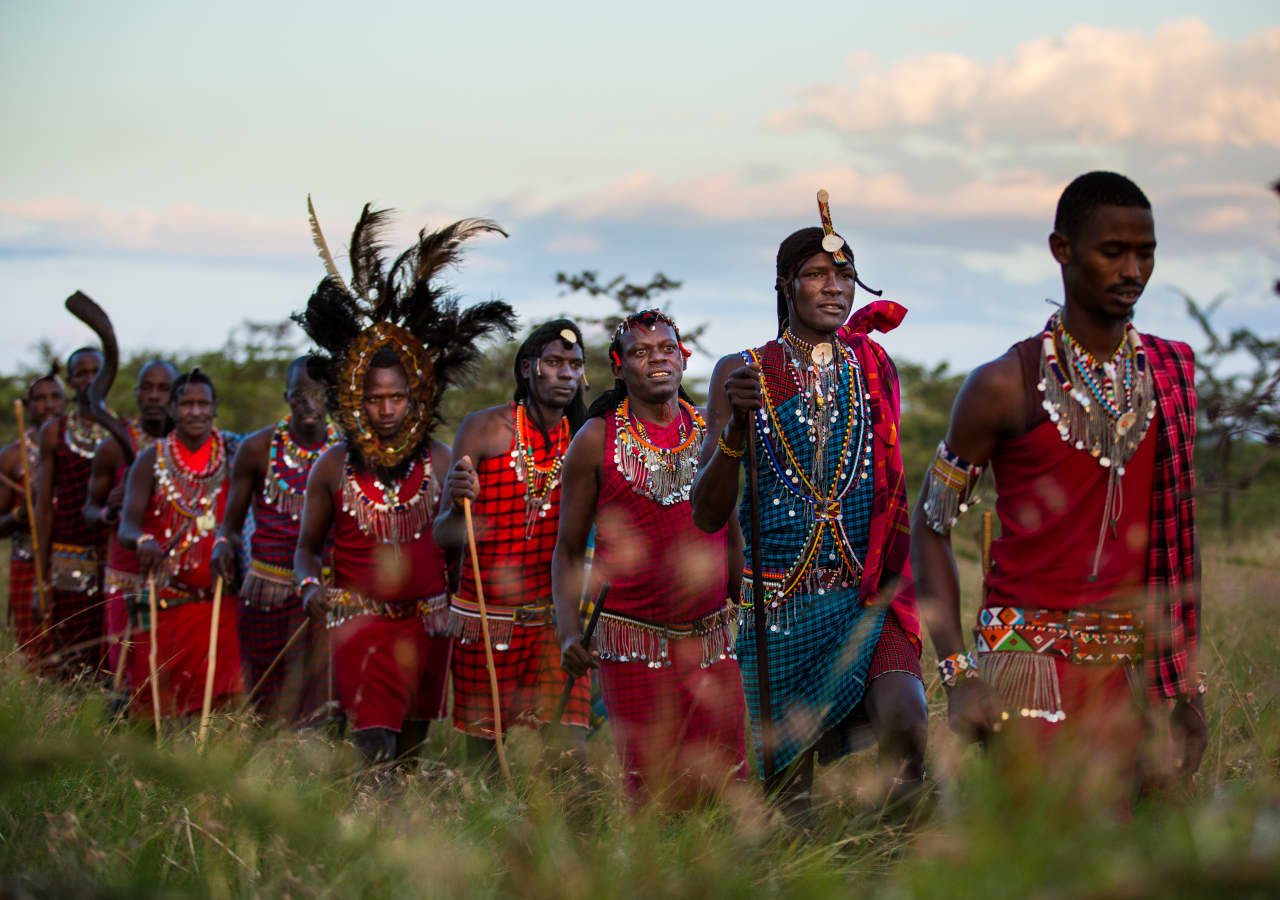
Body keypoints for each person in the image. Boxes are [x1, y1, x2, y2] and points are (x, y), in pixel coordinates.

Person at [910, 171, 1206, 800]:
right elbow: (930, 526)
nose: (1132, 270)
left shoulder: (1171, 373)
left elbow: (1179, 542)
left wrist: (1186, 690)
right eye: (1112, 251)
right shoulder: (1002, 385)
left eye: (1145, 252)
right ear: (1062, 250)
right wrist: (959, 674)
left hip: (1133, 673)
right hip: (1026, 671)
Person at [691, 192, 927, 818]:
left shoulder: (873, 366)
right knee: (791, 802)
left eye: (844, 274)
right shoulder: (741, 372)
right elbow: (707, 513)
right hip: (778, 610)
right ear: (785, 284)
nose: (834, 287)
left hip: (863, 597)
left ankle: (897, 865)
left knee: (908, 724)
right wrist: (737, 431)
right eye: (817, 275)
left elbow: (888, 487)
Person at [293, 206, 516, 767]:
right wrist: (306, 587)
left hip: (428, 627)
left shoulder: (443, 461)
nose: (387, 409)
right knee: (374, 749)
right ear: (355, 399)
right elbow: (305, 550)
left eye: (398, 398)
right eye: (375, 398)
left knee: (408, 761)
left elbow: (464, 544)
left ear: (417, 398)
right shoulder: (330, 468)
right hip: (358, 624)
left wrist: (467, 504)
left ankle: (385, 846)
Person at [554, 309, 748, 805]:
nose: (656, 359)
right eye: (641, 352)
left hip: (713, 642)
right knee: (654, 796)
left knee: (728, 785)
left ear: (683, 359)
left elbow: (730, 531)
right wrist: (570, 633)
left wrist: (741, 606)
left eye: (666, 349)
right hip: (634, 646)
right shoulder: (595, 440)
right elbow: (570, 549)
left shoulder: (712, 431)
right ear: (620, 367)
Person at [435, 320, 591, 763]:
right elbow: (443, 535)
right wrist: (459, 504)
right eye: (555, 362)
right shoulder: (485, 429)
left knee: (569, 757)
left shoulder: (585, 438)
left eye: (575, 365)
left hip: (554, 627)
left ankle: (568, 834)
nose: (566, 374)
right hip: (487, 621)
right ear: (528, 368)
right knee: (485, 763)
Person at [212, 356, 337, 722]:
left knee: (322, 708)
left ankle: (317, 776)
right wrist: (222, 545)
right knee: (267, 705)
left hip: (324, 596)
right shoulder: (257, 449)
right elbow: (231, 525)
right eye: (300, 396)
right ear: (286, 396)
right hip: (267, 593)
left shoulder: (346, 453)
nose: (310, 405)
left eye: (319, 394)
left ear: (333, 396)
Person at [117, 369, 243, 718]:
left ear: (215, 408)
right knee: (155, 708)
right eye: (187, 404)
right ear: (172, 409)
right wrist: (143, 540)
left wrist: (228, 543)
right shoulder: (151, 459)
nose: (196, 412)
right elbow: (126, 525)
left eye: (203, 403)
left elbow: (243, 521)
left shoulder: (233, 456)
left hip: (218, 605)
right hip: (162, 606)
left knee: (218, 712)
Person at [84, 360, 177, 687]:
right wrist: (110, 511)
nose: (154, 396)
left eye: (163, 389)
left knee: (173, 665)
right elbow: (90, 511)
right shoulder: (114, 446)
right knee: (130, 666)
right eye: (147, 388)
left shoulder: (191, 447)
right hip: (127, 577)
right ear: (136, 393)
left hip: (178, 579)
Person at [34, 346, 109, 677]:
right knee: (71, 655)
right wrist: (42, 574)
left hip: (110, 556)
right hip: (68, 555)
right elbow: (44, 506)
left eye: (96, 371)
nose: (89, 379)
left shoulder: (121, 430)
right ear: (71, 380)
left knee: (111, 648)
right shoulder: (55, 432)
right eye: (81, 373)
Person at [0, 367, 67, 665]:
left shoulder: (81, 448)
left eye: (55, 397)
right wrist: (18, 515)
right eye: (39, 398)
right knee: (32, 657)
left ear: (66, 402)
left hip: (71, 564)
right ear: (27, 407)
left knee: (73, 654)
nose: (49, 404)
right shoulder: (13, 456)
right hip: (28, 563)